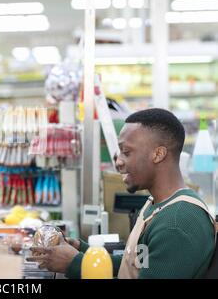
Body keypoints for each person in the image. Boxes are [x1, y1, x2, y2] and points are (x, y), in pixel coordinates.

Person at [29, 108, 216, 278]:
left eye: (126, 152)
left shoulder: (177, 223)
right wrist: (82, 252)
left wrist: (74, 264)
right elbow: (136, 266)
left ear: (158, 154)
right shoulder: (157, 204)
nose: (118, 162)